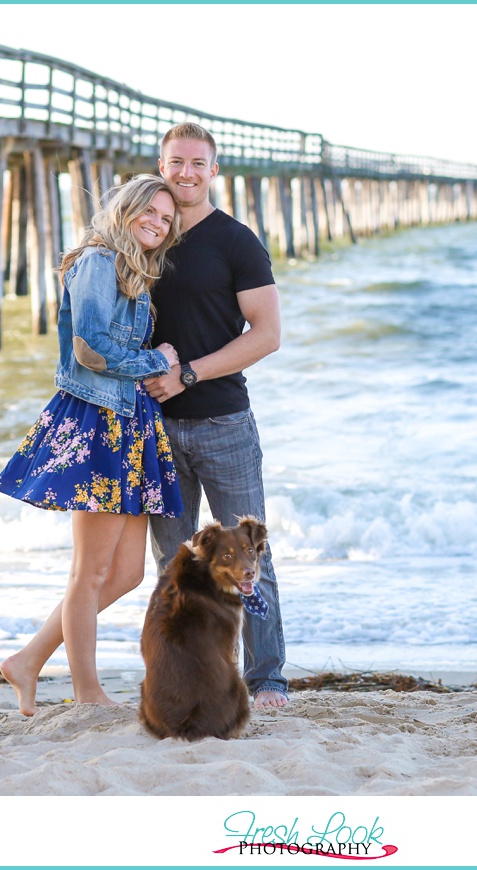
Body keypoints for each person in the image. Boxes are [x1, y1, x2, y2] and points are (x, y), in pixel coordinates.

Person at [0, 174, 183, 714]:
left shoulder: (134, 270)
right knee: (90, 572)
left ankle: (27, 661)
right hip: (99, 422)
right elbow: (89, 349)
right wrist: (158, 361)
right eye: (149, 211)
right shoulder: (98, 261)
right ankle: (86, 693)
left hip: (132, 423)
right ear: (125, 209)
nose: (157, 222)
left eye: (166, 219)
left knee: (126, 573)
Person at [142, 123, 289, 709]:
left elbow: (268, 334)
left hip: (223, 423)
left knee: (251, 559)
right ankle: (184, 675)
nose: (186, 173)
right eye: (176, 162)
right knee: (174, 565)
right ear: (161, 164)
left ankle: (267, 675)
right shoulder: (145, 234)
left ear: (214, 170)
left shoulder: (236, 242)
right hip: (152, 427)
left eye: (197, 163)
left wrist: (191, 373)